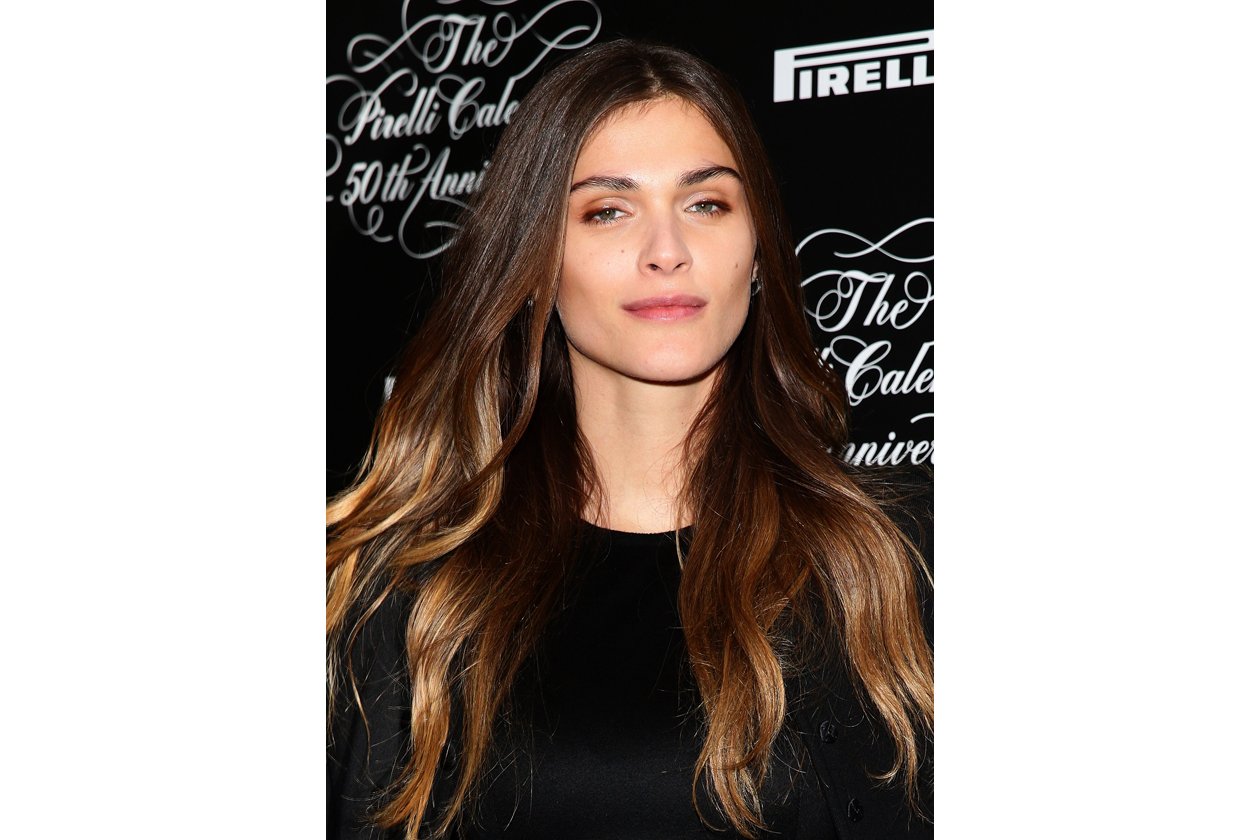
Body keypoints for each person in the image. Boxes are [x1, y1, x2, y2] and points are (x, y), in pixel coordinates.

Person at [327, 39, 933, 839]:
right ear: (536, 263)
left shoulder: (894, 559)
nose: (667, 252)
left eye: (706, 204)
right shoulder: (408, 591)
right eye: (608, 211)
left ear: (757, 247)